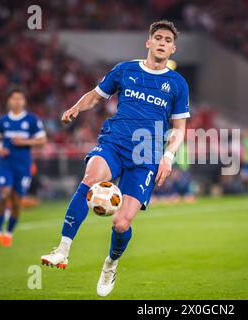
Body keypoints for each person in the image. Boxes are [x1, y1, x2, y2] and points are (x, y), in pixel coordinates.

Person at [40, 20, 190, 297]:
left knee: (121, 223)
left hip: (147, 155)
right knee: (90, 179)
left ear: (173, 48)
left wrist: (168, 156)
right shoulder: (125, 70)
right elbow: (96, 97)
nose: (161, 43)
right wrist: (75, 107)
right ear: (148, 42)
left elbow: (179, 129)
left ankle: (111, 263)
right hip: (114, 142)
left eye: (167, 40)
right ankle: (62, 249)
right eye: (157, 37)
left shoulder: (177, 84)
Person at [0, 88, 47, 247]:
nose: (17, 101)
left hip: (23, 166)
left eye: (20, 99)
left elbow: (42, 140)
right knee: (4, 192)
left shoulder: (32, 120)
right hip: (6, 164)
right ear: (9, 101)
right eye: (14, 98)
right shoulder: (2, 120)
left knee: (16, 202)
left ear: (24, 101)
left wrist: (25, 142)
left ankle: (8, 234)